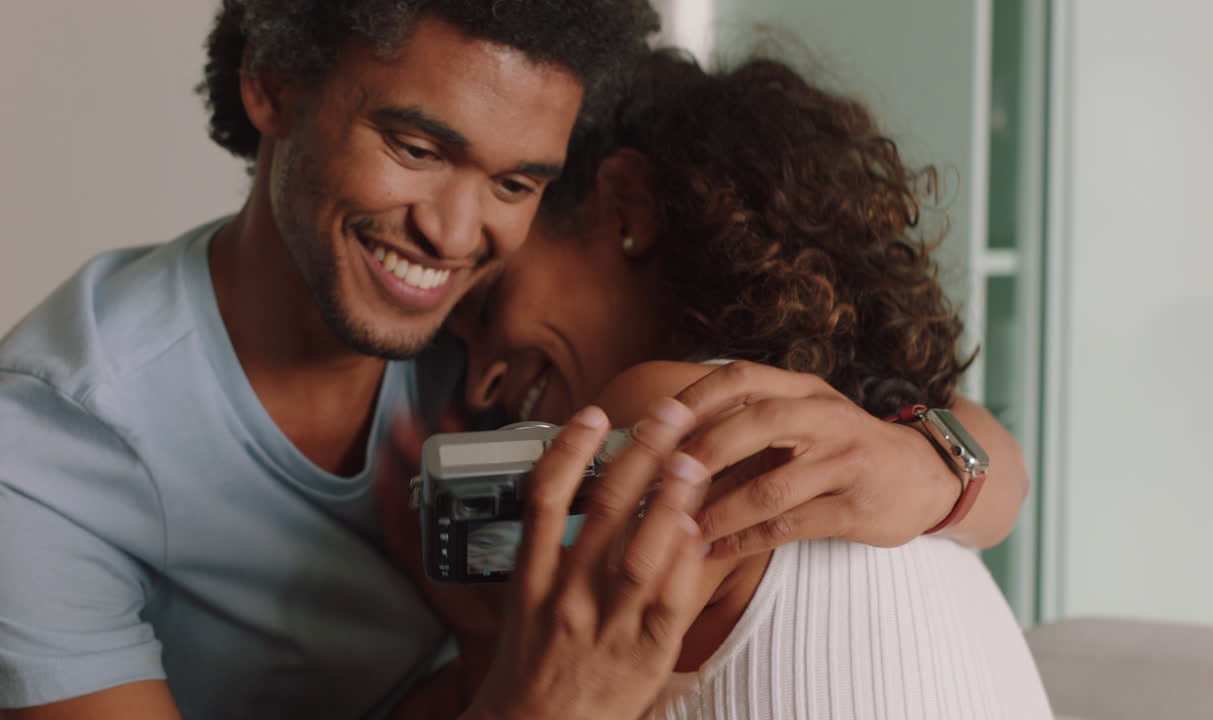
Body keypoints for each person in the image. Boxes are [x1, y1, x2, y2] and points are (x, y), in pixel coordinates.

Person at [0, 3, 1021, 719]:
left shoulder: (479, 346)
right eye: (415, 148)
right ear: (270, 86)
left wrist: (932, 465)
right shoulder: (52, 446)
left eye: (516, 182)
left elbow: (945, 433)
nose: (452, 236)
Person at [411, 50, 1053, 718]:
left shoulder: (667, 417)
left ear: (625, 210)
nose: (480, 386)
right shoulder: (882, 432)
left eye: (487, 307)